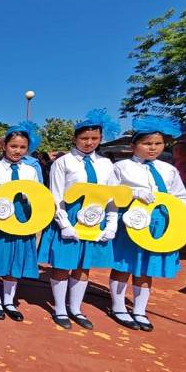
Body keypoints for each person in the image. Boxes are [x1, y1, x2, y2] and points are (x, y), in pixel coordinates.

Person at [108, 116, 186, 332]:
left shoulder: (168, 169)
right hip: (132, 222)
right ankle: (118, 307)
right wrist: (132, 193)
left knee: (146, 269)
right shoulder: (121, 167)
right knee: (124, 266)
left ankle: (140, 310)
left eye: (157, 144)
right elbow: (111, 194)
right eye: (147, 143)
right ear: (134, 145)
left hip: (159, 224)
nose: (152, 148)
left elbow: (180, 197)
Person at [37, 109, 120, 330]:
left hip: (94, 218)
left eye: (94, 138)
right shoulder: (63, 163)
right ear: (75, 138)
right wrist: (64, 223)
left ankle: (76, 308)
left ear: (101, 139)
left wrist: (111, 223)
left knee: (83, 267)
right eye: (84, 138)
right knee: (63, 265)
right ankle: (60, 309)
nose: (89, 142)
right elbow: (55, 196)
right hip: (69, 216)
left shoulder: (105, 164)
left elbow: (112, 196)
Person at [0, 121, 42, 322]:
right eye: (13, 146)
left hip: (22, 220)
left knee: (16, 261)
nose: (17, 150)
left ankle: (9, 301)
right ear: (5, 146)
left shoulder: (30, 171)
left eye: (22, 147)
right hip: (0, 221)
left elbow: (38, 195)